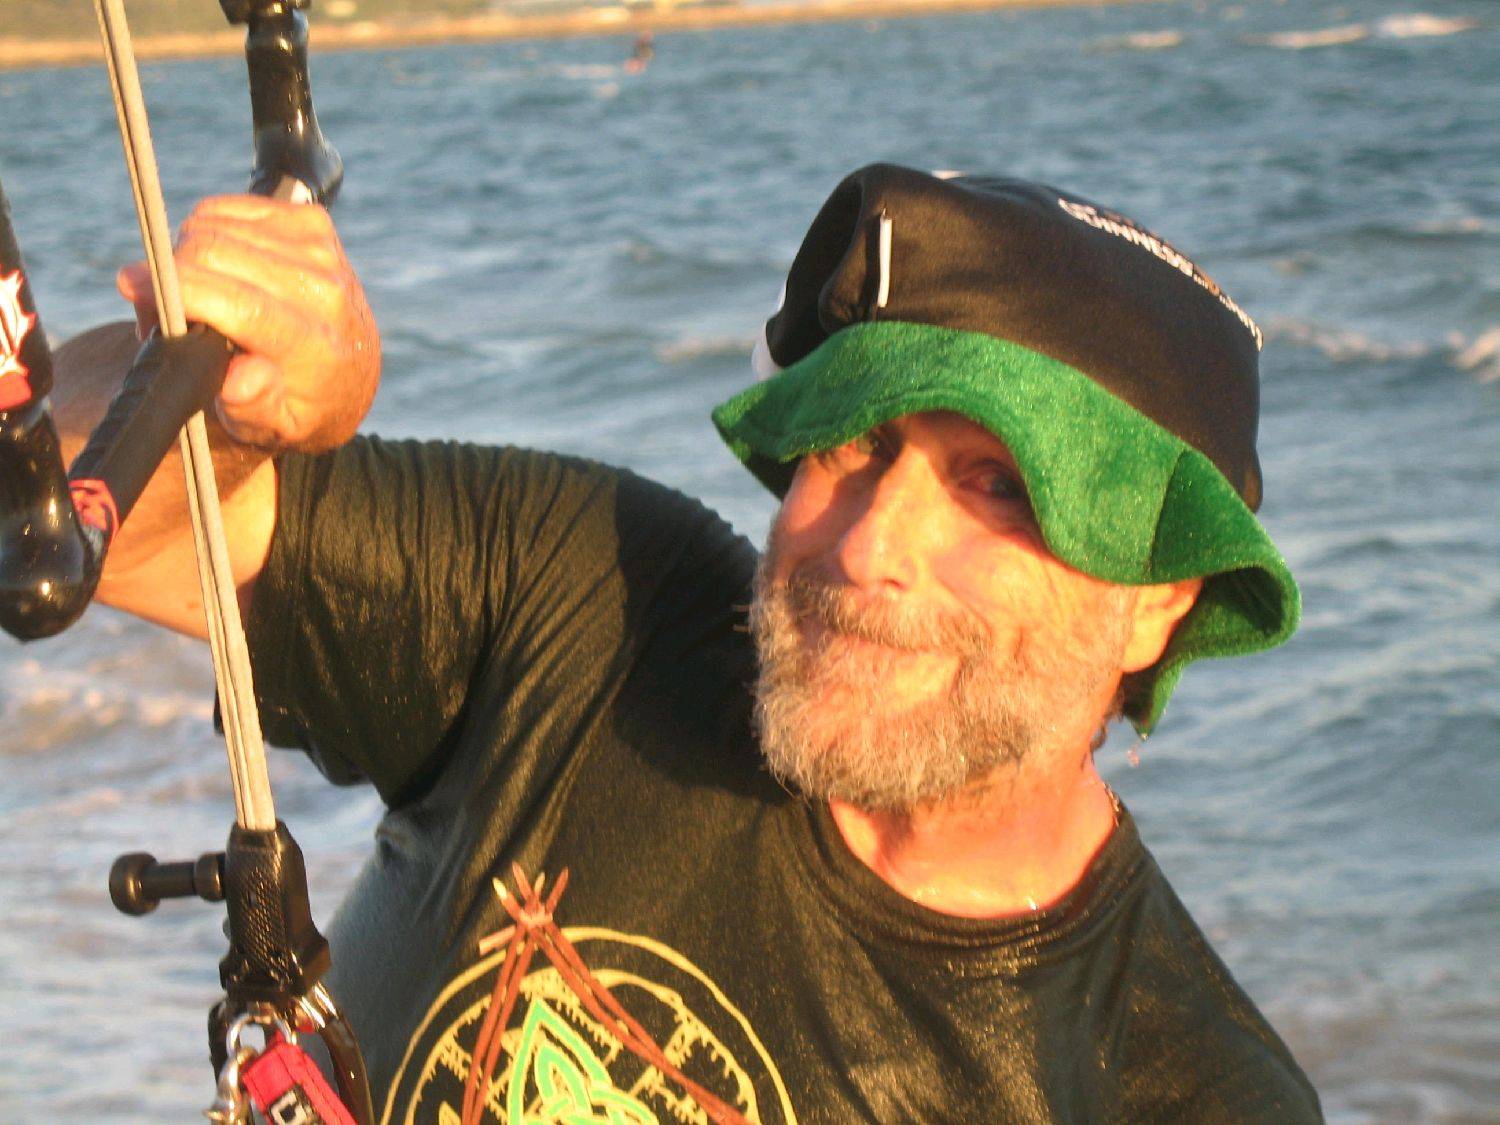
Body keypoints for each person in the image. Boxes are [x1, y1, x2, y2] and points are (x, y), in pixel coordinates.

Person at [57, 163, 1321, 1122]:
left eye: (998, 486)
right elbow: (76, 514)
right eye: (856, 443)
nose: (871, 546)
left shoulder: (1185, 1092)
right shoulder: (593, 599)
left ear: (1160, 597)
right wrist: (231, 408)